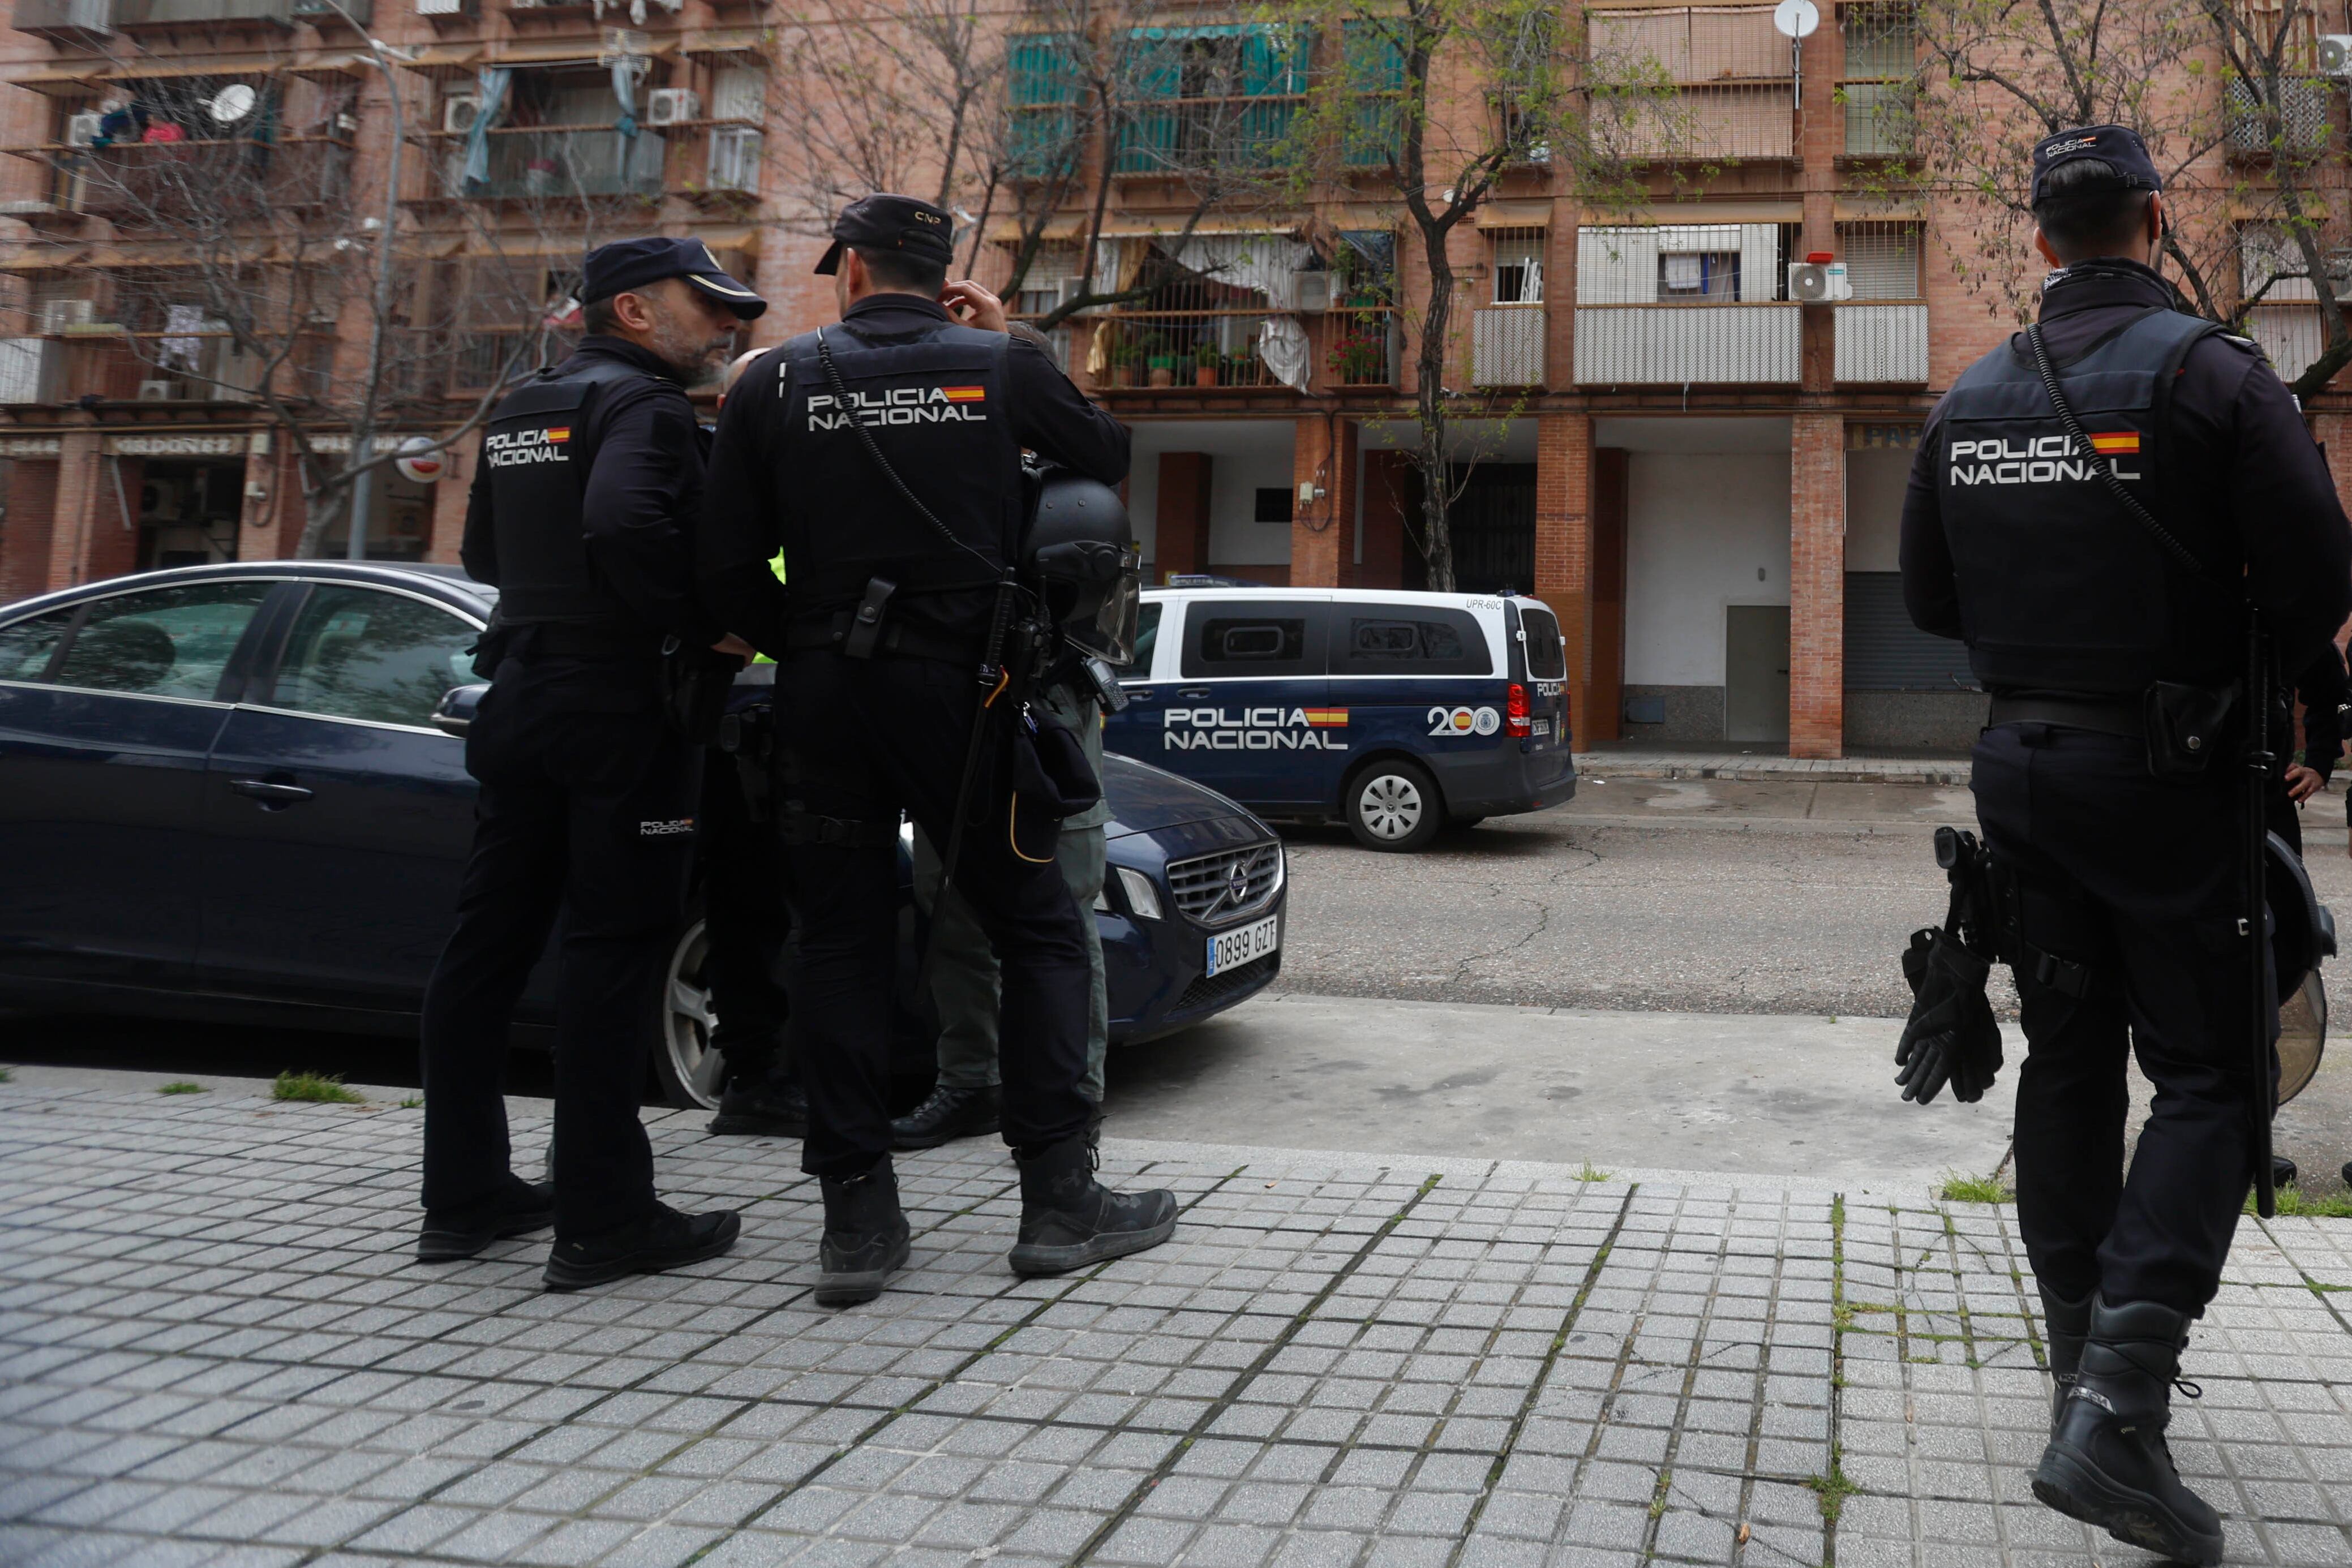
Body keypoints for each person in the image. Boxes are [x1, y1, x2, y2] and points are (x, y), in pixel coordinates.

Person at [1902, 126, 2352, 1565]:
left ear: (2037, 241)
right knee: (2214, 1071)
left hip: (2019, 774)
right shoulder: (2213, 375)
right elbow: (2319, 577)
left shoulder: (1967, 395)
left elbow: (1922, 599)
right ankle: (2113, 1404)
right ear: (2152, 220)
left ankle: (2073, 1362)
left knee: (2069, 1053)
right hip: (2167, 779)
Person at [699, 192, 1176, 1307]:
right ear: (940, 272)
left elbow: (722, 571)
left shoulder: (769, 380)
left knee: (839, 944)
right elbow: (1102, 451)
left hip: (823, 695)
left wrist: (816, 644)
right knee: (1040, 929)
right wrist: (1007, 341)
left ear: (854, 272)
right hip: (970, 694)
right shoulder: (997, 366)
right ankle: (1059, 1202)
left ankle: (855, 1223)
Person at [417, 237, 766, 1291]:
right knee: (615, 950)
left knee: (488, 945)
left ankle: (465, 1197)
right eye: (703, 306)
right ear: (632, 313)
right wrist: (702, 627)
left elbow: (481, 558)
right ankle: (605, 1218)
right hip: (620, 705)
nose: (723, 326)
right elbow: (623, 520)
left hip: (522, 694)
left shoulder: (528, 402)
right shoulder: (648, 407)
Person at [896, 675, 1111, 1149]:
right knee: (949, 904)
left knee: (1067, 915)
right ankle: (973, 1081)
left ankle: (1072, 1104)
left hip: (1043, 687)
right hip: (949, 693)